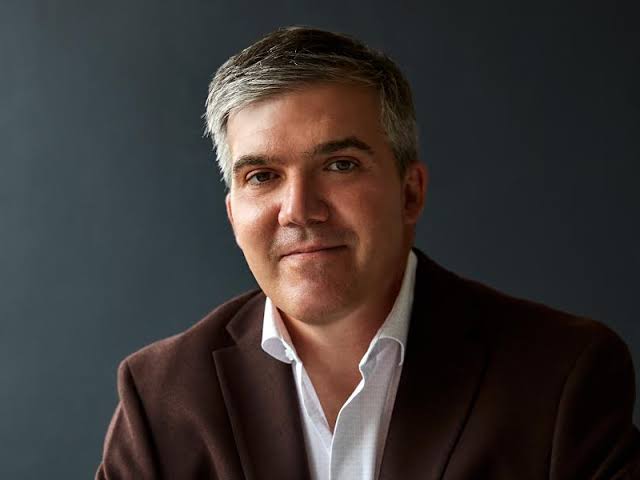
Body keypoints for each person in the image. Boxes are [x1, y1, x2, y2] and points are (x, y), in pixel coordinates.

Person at [96, 27, 640, 480]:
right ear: (234, 213)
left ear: (410, 193)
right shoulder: (159, 397)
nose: (299, 210)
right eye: (262, 176)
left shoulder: (561, 376)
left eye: (340, 165)